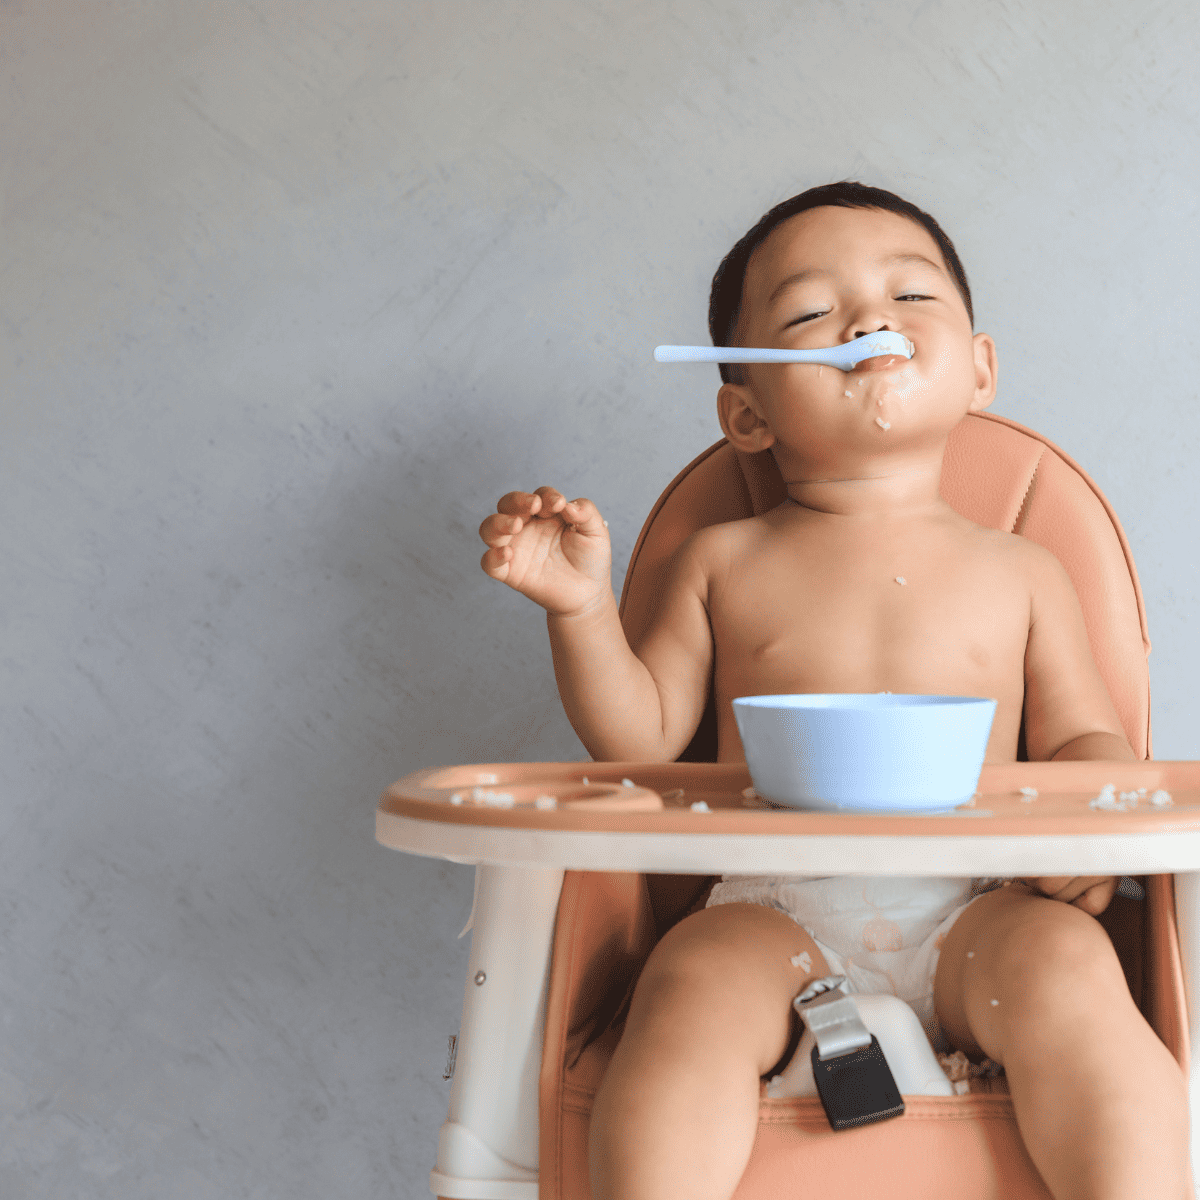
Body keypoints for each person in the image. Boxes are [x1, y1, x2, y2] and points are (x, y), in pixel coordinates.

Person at [477, 182, 1190, 1200]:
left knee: (1071, 971)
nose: (869, 323)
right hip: (768, 911)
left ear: (980, 369)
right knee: (684, 992)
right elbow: (638, 735)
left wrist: (1084, 843)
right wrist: (580, 607)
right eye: (813, 314)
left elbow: (1084, 738)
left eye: (912, 298)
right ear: (747, 414)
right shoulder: (721, 560)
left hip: (980, 909)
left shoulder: (1023, 569)